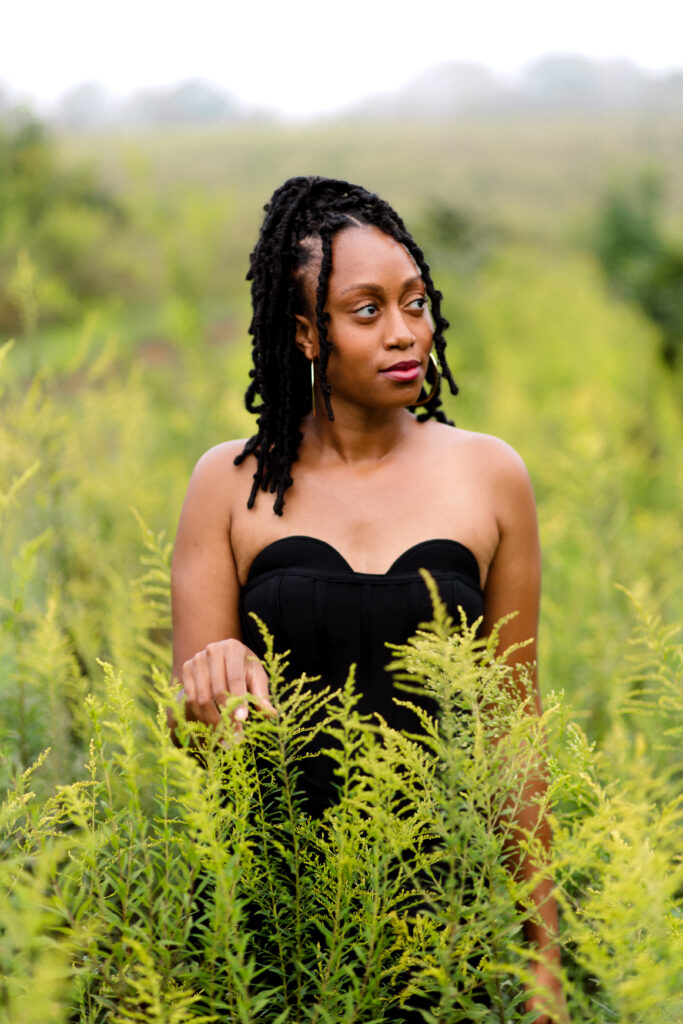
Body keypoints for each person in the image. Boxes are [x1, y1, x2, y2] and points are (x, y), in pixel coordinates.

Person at [171, 176, 567, 1023]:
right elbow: (198, 745)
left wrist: (543, 964)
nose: (405, 333)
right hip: (272, 926)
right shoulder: (225, 484)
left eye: (415, 302)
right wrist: (213, 676)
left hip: (447, 922)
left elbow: (512, 730)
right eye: (366, 311)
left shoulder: (490, 474)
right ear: (307, 333)